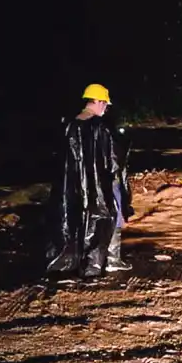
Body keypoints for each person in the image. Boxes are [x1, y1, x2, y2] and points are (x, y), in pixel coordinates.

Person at [46, 83, 133, 278]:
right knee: (106, 216)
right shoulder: (100, 128)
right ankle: (102, 262)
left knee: (74, 221)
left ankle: (70, 261)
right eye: (105, 104)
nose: (106, 108)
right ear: (98, 101)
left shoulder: (67, 125)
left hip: (71, 188)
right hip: (98, 187)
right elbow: (112, 162)